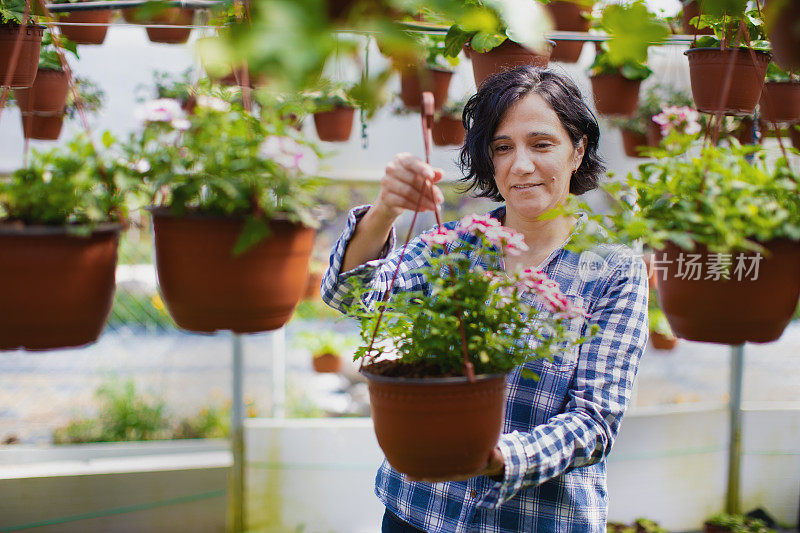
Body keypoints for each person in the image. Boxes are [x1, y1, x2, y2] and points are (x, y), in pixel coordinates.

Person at [321, 66, 649, 533]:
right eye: (502, 147)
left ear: (578, 150)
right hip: (421, 511)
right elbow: (349, 295)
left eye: (541, 144)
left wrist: (493, 457)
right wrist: (385, 211)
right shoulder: (453, 246)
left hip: (537, 520)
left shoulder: (612, 269)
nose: (521, 165)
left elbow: (595, 421)